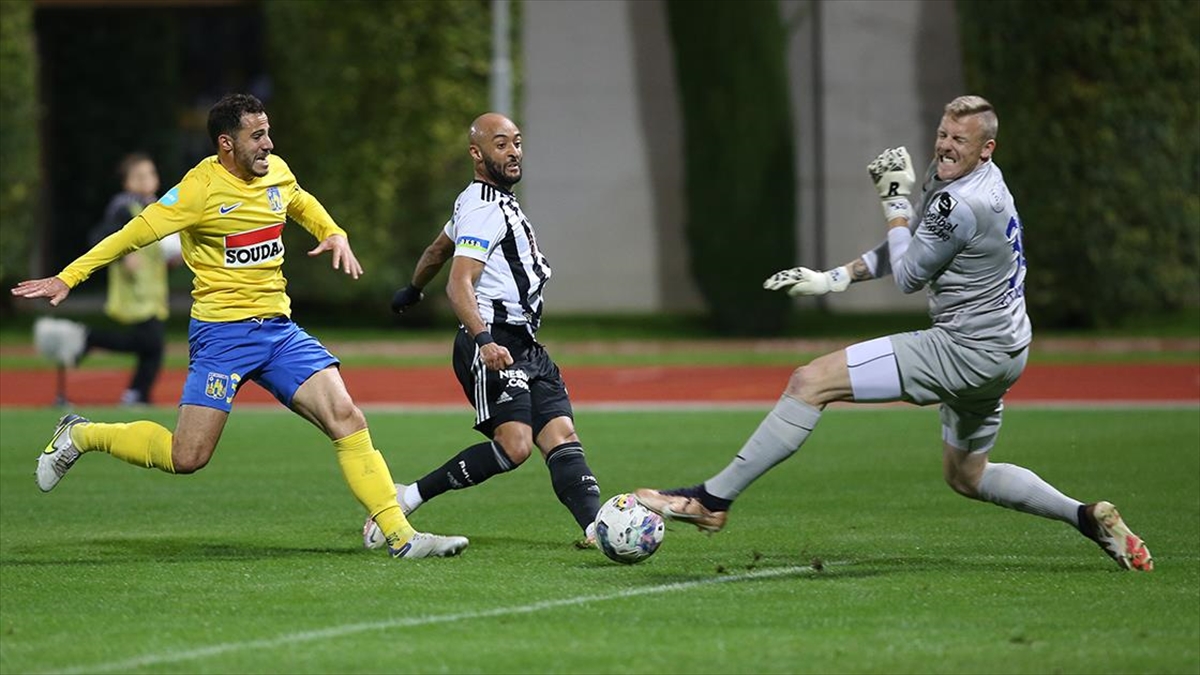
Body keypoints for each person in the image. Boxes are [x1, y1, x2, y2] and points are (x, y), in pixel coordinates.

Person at [634, 95, 1153, 572]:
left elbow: (909, 274)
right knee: (967, 476)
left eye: (960, 140)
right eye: (943, 134)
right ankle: (1086, 517)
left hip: (964, 349)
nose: (946, 146)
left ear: (987, 147)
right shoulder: (968, 181)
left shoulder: (962, 202)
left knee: (809, 382)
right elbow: (918, 247)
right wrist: (836, 278)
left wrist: (893, 202)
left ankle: (711, 501)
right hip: (1005, 348)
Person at [12, 93, 467, 560]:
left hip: (278, 331)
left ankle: (400, 535)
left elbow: (300, 200)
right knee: (187, 457)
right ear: (226, 144)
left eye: (268, 132)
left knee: (347, 417)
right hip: (222, 336)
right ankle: (81, 434)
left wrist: (332, 231)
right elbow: (132, 235)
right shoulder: (197, 191)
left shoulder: (276, 171)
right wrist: (68, 277)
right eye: (258, 135)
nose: (268, 143)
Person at [364, 112, 602, 549]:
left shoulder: (483, 202)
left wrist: (413, 288)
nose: (513, 152)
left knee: (562, 435)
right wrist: (484, 340)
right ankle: (407, 497)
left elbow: (438, 250)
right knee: (515, 447)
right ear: (477, 153)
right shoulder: (483, 209)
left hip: (525, 345)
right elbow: (459, 283)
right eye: (500, 144)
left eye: (516, 142)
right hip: (493, 341)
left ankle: (596, 530)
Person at [33, 153, 181, 406]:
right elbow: (100, 236)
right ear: (127, 182)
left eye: (151, 174)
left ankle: (136, 392)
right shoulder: (124, 207)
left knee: (151, 346)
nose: (148, 180)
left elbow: (157, 251)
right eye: (140, 176)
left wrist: (170, 259)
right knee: (151, 344)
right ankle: (90, 341)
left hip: (152, 293)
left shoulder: (156, 207)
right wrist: (124, 259)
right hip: (132, 292)